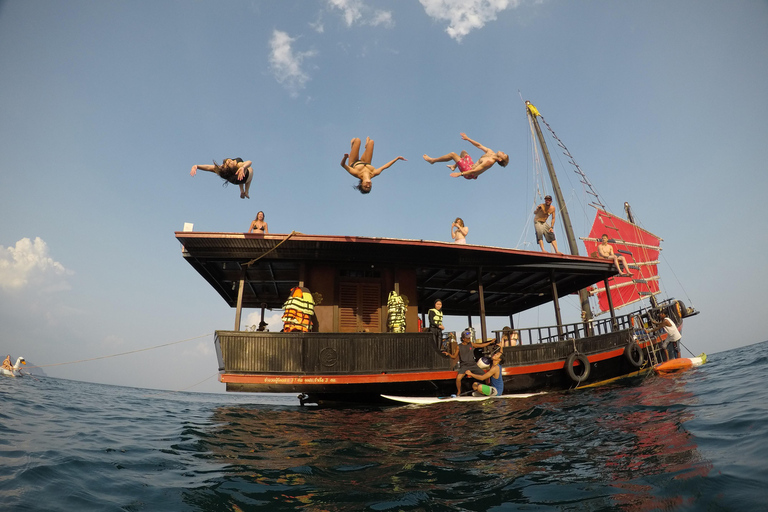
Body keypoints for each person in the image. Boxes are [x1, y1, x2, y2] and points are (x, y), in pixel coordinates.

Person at [423, 133, 509, 179]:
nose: (503, 152)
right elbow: (479, 145)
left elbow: (474, 172)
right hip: (470, 166)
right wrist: (468, 138)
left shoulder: (489, 162)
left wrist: (460, 174)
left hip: (469, 173)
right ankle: (454, 166)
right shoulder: (490, 152)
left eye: (503, 154)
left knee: (453, 154)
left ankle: (432, 161)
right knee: (463, 152)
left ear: (500, 159)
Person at [340, 137, 406, 194]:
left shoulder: (356, 173)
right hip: (366, 161)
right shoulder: (374, 173)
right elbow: (385, 166)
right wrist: (397, 158)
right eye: (369, 187)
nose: (368, 185)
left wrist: (345, 157)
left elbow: (342, 165)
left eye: (365, 186)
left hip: (353, 162)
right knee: (371, 142)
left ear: (361, 184)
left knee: (357, 140)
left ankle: (353, 146)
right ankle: (366, 147)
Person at [455, 329, 498, 395]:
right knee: (458, 378)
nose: (469, 339)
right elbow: (454, 356)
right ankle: (458, 392)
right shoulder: (459, 346)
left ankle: (488, 388)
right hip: (464, 366)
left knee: (485, 375)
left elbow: (481, 345)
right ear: (463, 339)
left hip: (473, 365)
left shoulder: (471, 344)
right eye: (467, 338)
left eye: (469, 337)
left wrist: (490, 342)